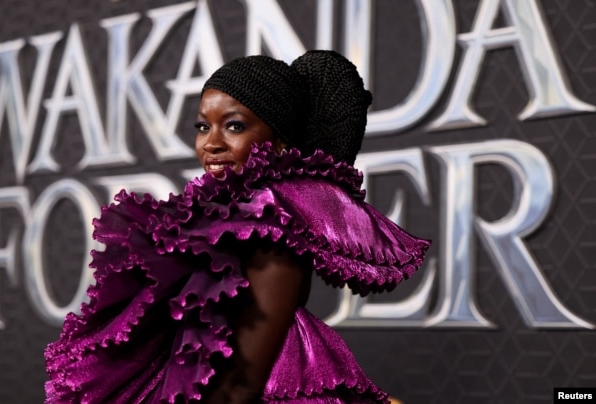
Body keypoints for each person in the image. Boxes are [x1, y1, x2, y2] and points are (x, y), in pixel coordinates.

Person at [44, 50, 431, 403]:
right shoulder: (228, 215)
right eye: (201, 126)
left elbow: (242, 383)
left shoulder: (273, 220)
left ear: (278, 141)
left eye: (233, 126)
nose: (210, 143)